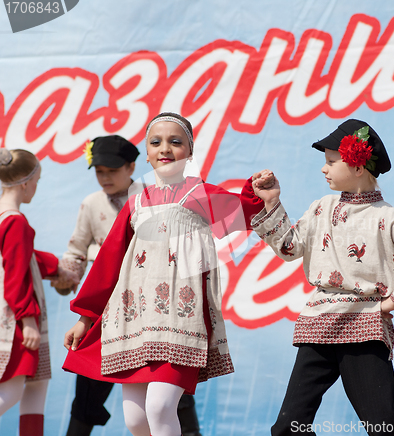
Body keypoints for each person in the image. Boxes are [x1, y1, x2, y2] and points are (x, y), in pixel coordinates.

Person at [62, 112, 273, 436]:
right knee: (135, 419)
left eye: (176, 141)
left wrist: (258, 190)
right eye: (156, 141)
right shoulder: (137, 202)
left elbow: (246, 211)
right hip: (131, 322)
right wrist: (85, 317)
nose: (165, 148)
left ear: (189, 151)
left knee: (160, 408)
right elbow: (109, 264)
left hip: (180, 322)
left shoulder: (200, 195)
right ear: (146, 153)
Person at [251, 119, 394, 436]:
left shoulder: (387, 217)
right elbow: (289, 247)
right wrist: (271, 201)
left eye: (331, 161)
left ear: (356, 166)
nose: (324, 169)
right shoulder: (320, 208)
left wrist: (393, 302)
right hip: (319, 323)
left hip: (365, 326)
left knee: (382, 423)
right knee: (288, 428)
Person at [51, 135, 204, 436]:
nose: (105, 177)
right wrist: (66, 273)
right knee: (89, 388)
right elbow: (77, 250)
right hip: (105, 307)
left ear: (132, 165)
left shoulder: (153, 196)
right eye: (99, 171)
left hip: (150, 306)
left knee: (166, 390)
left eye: (112, 170)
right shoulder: (92, 204)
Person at [0, 148, 78, 436]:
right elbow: (15, 272)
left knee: (35, 386)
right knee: (12, 392)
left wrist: (58, 267)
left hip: (16, 314)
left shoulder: (5, 219)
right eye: (37, 181)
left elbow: (25, 257)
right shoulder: (15, 222)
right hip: (15, 319)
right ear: (24, 182)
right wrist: (27, 319)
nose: (36, 187)